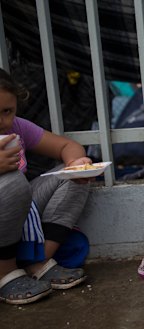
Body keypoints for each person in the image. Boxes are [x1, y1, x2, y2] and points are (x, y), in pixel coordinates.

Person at [0, 68, 91, 305]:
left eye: (7, 111)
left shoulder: (16, 128)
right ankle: (5, 273)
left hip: (21, 217)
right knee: (12, 181)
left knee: (74, 176)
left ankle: (37, 262)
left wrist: (76, 163)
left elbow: (66, 146)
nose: (1, 122)